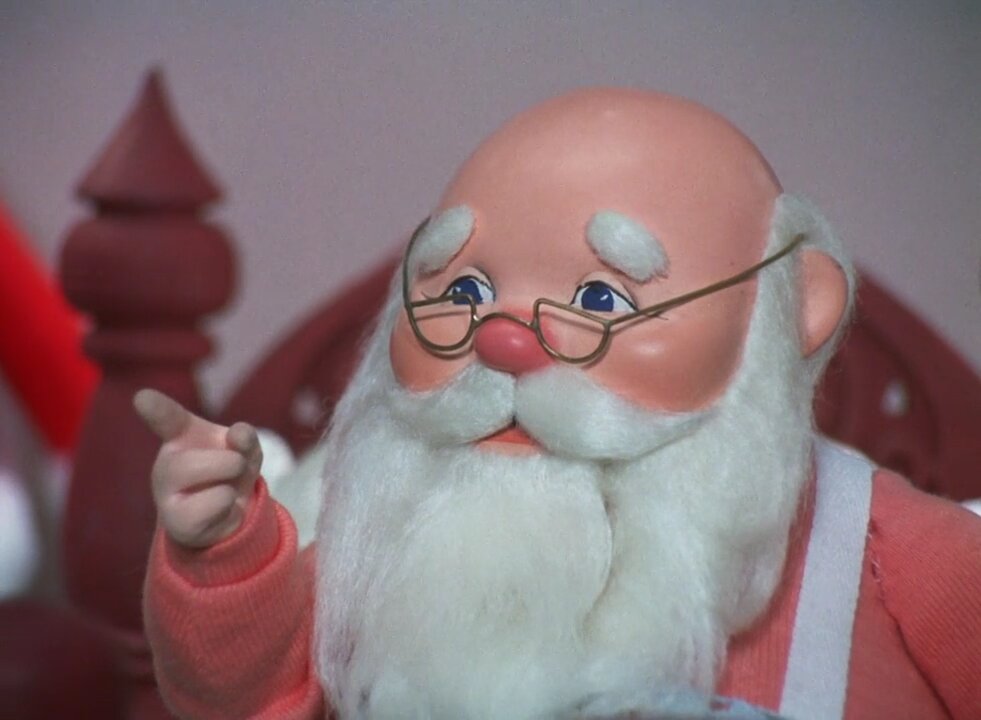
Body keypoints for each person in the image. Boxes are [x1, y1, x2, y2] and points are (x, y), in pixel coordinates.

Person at [137, 88, 981, 720]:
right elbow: (241, 698)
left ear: (788, 310)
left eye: (603, 299)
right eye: (464, 290)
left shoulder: (872, 539)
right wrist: (223, 552)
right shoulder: (392, 532)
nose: (504, 341)